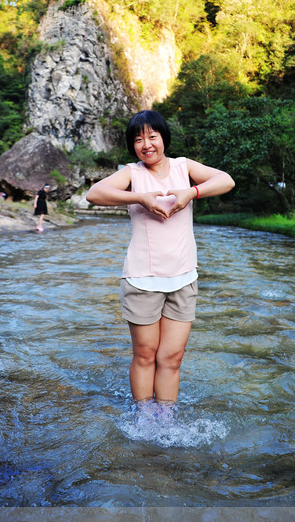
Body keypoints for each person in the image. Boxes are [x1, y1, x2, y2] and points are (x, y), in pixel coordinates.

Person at [86, 109, 234, 408]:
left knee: (172, 356)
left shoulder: (183, 167)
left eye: (152, 136)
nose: (146, 144)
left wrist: (190, 193)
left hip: (183, 277)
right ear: (133, 145)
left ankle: (165, 417)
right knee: (145, 354)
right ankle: (143, 416)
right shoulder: (132, 173)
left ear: (163, 138)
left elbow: (226, 181)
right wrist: (139, 197)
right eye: (138, 139)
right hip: (142, 278)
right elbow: (94, 193)